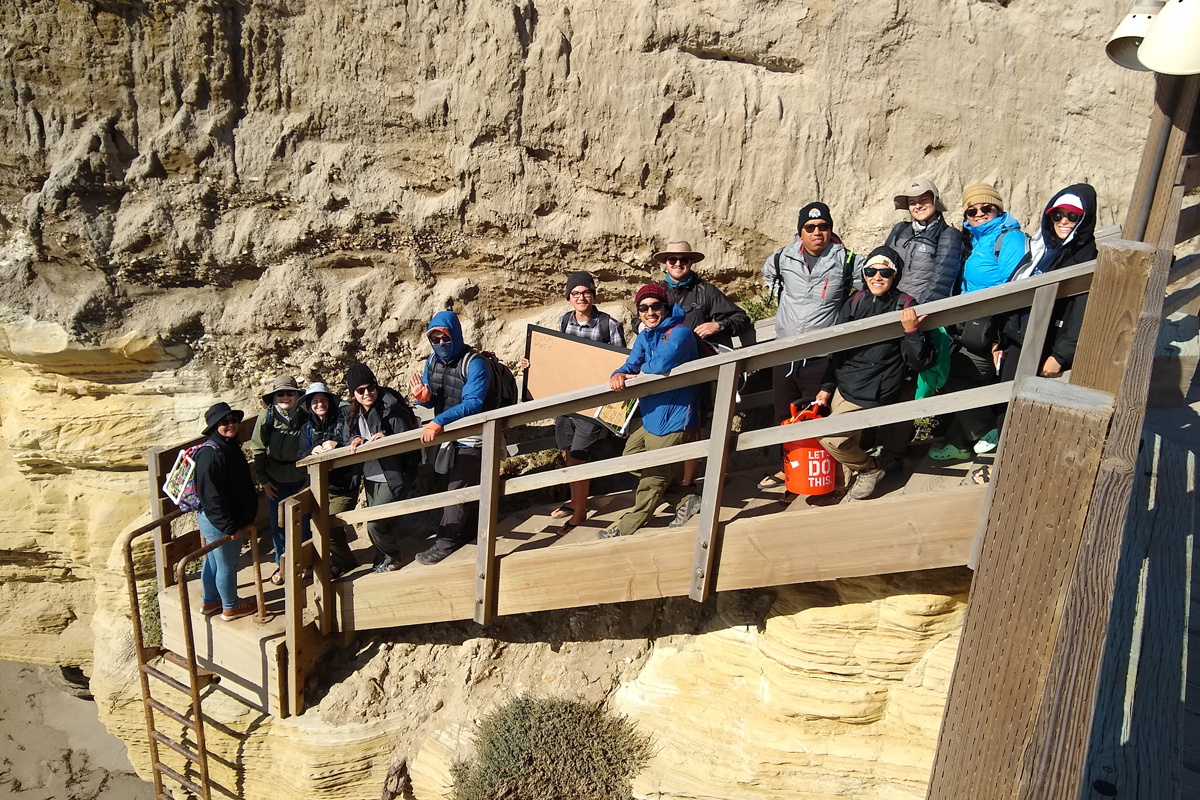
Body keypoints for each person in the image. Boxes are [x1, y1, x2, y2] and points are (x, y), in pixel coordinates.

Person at [815, 247, 937, 501]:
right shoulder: (856, 300)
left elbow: (922, 361)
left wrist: (911, 332)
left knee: (832, 439)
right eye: (871, 271)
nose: (877, 277)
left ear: (895, 275)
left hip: (876, 386)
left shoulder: (905, 305)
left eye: (885, 271)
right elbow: (838, 348)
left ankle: (870, 469)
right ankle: (841, 488)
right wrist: (827, 385)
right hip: (847, 382)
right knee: (848, 438)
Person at [759, 202, 860, 489]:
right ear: (800, 231)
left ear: (830, 229)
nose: (818, 232)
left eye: (823, 227)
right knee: (783, 415)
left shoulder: (846, 259)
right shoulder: (783, 257)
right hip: (785, 351)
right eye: (810, 227)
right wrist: (778, 293)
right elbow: (769, 273)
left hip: (820, 354)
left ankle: (824, 473)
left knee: (816, 413)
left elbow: (871, 281)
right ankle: (789, 470)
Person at [520, 271, 626, 535]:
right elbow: (560, 358)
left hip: (593, 405)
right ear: (568, 297)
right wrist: (532, 364)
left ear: (593, 294)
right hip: (567, 401)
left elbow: (624, 364)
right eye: (575, 293)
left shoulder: (609, 324)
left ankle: (580, 513)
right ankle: (575, 501)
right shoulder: (564, 321)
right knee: (568, 453)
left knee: (579, 456)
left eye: (586, 292)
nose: (581, 297)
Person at [929, 184, 1029, 461]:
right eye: (972, 210)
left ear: (998, 208)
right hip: (971, 324)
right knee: (956, 370)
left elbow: (1017, 287)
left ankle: (990, 431)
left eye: (987, 208)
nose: (980, 213)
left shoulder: (1009, 239)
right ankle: (960, 442)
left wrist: (1004, 339)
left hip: (993, 326)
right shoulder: (974, 239)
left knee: (955, 372)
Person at [597, 285, 703, 539]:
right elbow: (630, 364)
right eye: (644, 308)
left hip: (675, 416)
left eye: (656, 306)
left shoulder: (681, 333)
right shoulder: (646, 336)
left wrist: (638, 371)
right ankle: (686, 500)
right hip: (651, 414)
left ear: (665, 308)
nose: (650, 312)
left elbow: (660, 364)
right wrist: (619, 374)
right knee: (631, 457)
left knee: (653, 476)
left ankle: (626, 528)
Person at [654, 238, 754, 488]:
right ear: (665, 263)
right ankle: (666, 481)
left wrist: (717, 325)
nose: (678, 263)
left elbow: (741, 318)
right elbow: (638, 320)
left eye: (683, 260)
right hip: (663, 370)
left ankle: (689, 483)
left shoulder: (705, 291)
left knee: (695, 423)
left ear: (691, 263)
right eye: (673, 260)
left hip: (696, 370)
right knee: (663, 423)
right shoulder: (655, 292)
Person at [408, 310, 493, 565]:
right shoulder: (432, 362)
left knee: (456, 488)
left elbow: (473, 403)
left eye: (445, 338)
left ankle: (445, 542)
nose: (441, 344)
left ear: (455, 335)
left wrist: (438, 421)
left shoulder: (474, 363)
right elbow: (433, 394)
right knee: (453, 483)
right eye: (435, 340)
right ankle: (465, 531)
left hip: (475, 436)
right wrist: (424, 397)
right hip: (450, 438)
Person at [341, 364, 421, 573]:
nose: (367, 393)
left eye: (371, 387)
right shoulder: (354, 413)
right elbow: (344, 435)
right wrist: (354, 438)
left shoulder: (391, 407)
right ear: (353, 394)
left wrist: (387, 438)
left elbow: (408, 439)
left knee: (374, 523)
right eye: (361, 390)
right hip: (370, 474)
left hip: (392, 473)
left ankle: (394, 557)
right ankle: (382, 558)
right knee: (377, 521)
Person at [194, 402, 259, 621]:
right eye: (224, 422)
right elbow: (211, 496)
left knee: (213, 562)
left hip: (217, 519)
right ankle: (230, 606)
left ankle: (211, 600)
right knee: (227, 565)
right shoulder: (211, 455)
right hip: (221, 521)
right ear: (214, 426)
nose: (231, 425)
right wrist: (230, 526)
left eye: (233, 420)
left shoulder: (226, 446)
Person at [296, 382, 360, 580]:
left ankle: (346, 564)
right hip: (320, 487)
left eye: (323, 399)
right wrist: (310, 452)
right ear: (309, 405)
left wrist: (338, 444)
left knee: (328, 527)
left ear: (330, 401)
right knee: (326, 527)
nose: (319, 404)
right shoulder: (307, 428)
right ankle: (342, 563)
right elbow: (299, 455)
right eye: (314, 401)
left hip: (344, 484)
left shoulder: (344, 419)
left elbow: (355, 441)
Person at [250, 375, 308, 585]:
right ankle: (282, 564)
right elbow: (257, 448)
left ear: (296, 395)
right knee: (278, 524)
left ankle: (304, 562)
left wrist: (310, 478)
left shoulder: (305, 414)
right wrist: (263, 481)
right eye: (280, 393)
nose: (285, 397)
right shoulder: (266, 416)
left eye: (289, 393)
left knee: (305, 522)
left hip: (301, 476)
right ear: (274, 396)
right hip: (275, 479)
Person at [884, 178, 963, 303]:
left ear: (935, 201)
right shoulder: (900, 229)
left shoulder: (948, 235)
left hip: (918, 311)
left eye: (923, 200)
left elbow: (941, 284)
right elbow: (882, 263)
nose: (918, 206)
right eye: (912, 202)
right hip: (891, 305)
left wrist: (918, 309)